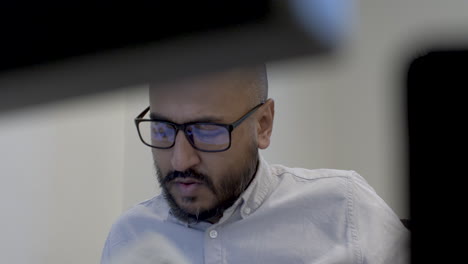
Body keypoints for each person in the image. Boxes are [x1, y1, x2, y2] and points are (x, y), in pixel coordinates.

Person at [101, 65, 410, 264]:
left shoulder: (346, 210)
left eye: (208, 131)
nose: (181, 160)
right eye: (163, 129)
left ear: (263, 124)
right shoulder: (129, 237)